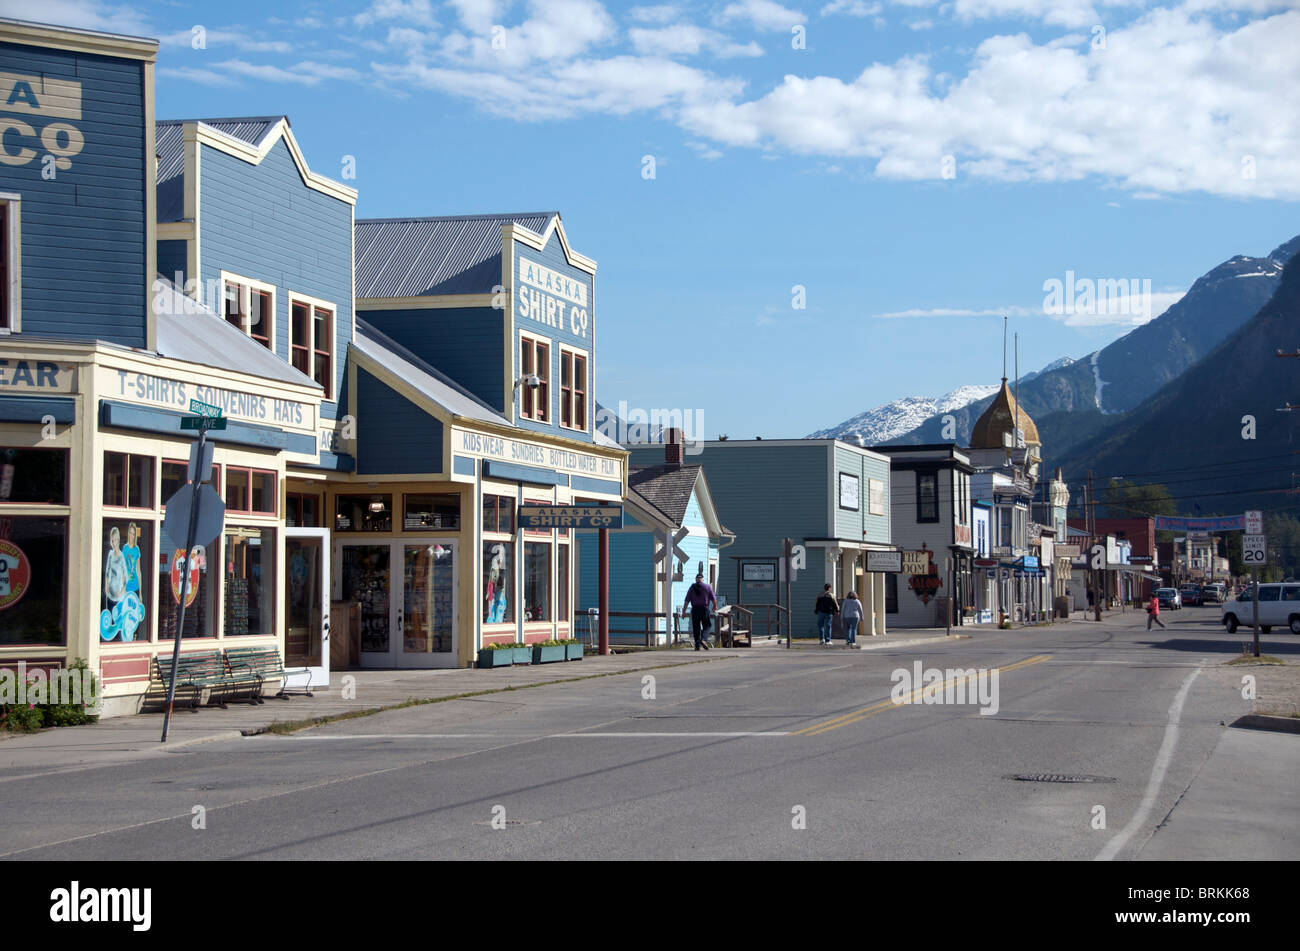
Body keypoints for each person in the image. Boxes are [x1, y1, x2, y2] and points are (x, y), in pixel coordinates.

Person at [682, 573, 716, 650]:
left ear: (696, 579)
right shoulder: (708, 587)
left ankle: (697, 645)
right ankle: (704, 639)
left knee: (696, 627)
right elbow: (713, 598)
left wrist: (684, 611)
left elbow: (687, 600)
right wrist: (715, 606)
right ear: (702, 579)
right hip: (704, 609)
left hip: (695, 609)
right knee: (707, 625)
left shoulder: (692, 587)